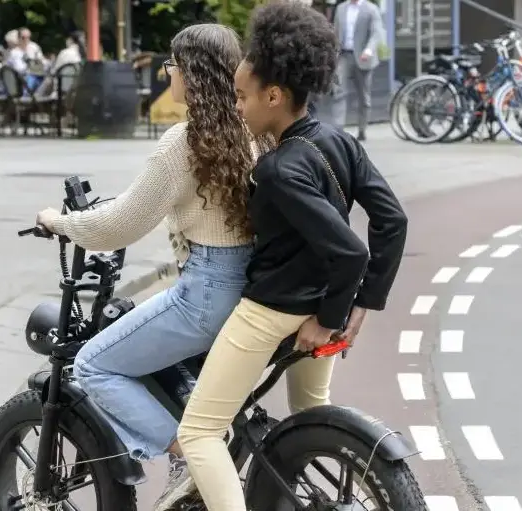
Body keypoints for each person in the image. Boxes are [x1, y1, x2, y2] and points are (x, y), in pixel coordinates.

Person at [165, 3, 409, 510]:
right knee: (310, 417)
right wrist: (362, 304)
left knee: (200, 434)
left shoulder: (277, 169)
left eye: (240, 97)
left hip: (272, 309)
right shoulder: (340, 142)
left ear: (273, 96)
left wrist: (331, 318)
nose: (235, 108)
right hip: (319, 299)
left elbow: (349, 249)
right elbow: (393, 221)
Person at [33, 23, 260, 511]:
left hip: (204, 292)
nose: (167, 74)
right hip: (250, 289)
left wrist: (63, 222)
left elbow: (121, 224)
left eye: (171, 66)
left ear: (190, 76)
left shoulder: (183, 142)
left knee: (94, 364)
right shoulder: (249, 131)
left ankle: (192, 459)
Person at [328, 0, 383, 140]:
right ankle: (338, 130)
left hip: (364, 57)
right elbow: (335, 31)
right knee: (338, 92)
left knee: (364, 97)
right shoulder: (341, 8)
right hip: (344, 56)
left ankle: (362, 129)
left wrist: (369, 50)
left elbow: (376, 33)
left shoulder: (371, 9)